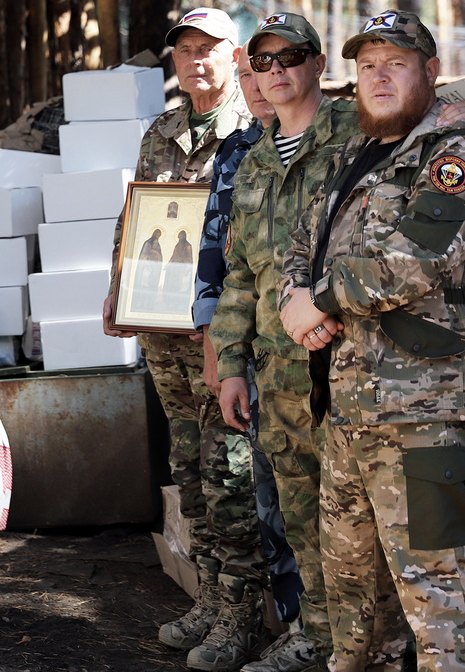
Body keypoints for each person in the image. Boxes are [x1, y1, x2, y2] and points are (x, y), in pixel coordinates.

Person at [279, 10, 465, 670]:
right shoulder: (355, 155)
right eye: (367, 64)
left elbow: (421, 257)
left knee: (443, 598)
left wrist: (317, 299)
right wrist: (298, 300)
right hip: (346, 414)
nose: (378, 76)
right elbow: (303, 241)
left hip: (420, 420)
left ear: (430, 73)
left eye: (396, 63)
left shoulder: (456, 157)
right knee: (356, 606)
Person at [102, 7, 266, 671]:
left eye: (209, 49)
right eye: (184, 49)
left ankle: (242, 614)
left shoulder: (250, 129)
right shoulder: (162, 128)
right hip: (160, 331)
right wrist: (118, 285)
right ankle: (208, 597)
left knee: (229, 473)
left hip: (218, 336)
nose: (195, 61)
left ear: (235, 56)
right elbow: (134, 213)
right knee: (189, 469)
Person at [208, 13, 358, 672]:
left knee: (360, 521)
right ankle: (318, 638)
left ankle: (371, 646)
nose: (274, 72)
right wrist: (231, 365)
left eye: (289, 57)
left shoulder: (358, 138)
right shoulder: (255, 163)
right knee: (299, 517)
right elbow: (239, 274)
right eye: (262, 62)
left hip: (350, 372)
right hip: (277, 375)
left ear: (318, 63)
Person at [192, 47, 310, 672]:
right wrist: (221, 347)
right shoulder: (241, 156)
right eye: (252, 73)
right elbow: (224, 262)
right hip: (257, 353)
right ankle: (286, 624)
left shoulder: (336, 144)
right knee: (264, 495)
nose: (266, 84)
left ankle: (318, 633)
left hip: (317, 363)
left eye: (277, 69)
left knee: (314, 506)